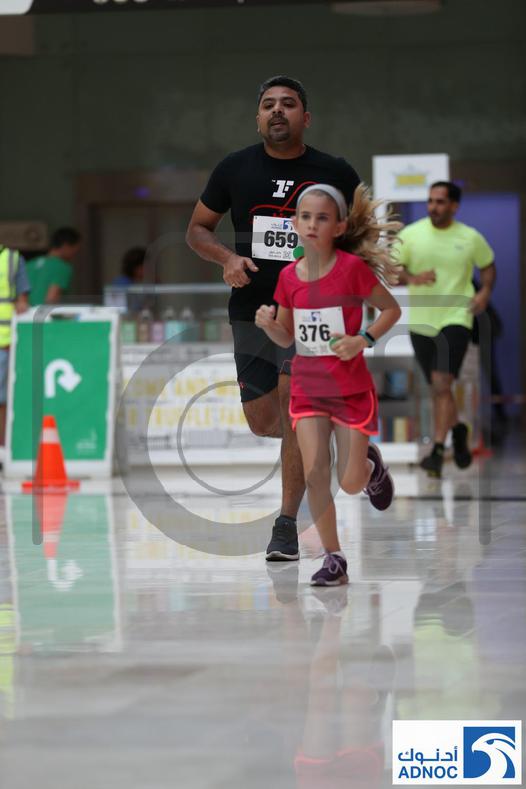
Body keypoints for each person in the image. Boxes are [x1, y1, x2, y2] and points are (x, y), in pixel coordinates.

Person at [186, 75, 362, 561]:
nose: (277, 111)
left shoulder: (334, 172)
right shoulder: (235, 168)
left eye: (288, 104)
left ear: (307, 117)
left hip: (313, 310)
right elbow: (197, 229)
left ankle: (285, 525)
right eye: (268, 105)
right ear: (258, 118)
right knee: (265, 422)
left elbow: (364, 233)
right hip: (253, 310)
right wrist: (227, 258)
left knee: (293, 403)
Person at [255, 183, 401, 586]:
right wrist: (269, 325)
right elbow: (286, 336)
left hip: (350, 389)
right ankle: (334, 558)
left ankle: (370, 467)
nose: (312, 224)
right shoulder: (288, 276)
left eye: (322, 218)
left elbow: (391, 310)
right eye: (305, 217)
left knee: (349, 483)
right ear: (295, 224)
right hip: (307, 388)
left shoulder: (351, 270)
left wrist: (362, 339)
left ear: (339, 227)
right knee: (316, 474)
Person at [396, 182, 496, 478]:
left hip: (457, 318)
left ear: (454, 206)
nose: (433, 207)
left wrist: (484, 293)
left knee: (441, 384)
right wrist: (412, 278)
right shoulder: (411, 234)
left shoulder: (470, 237)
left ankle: (437, 451)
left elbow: (488, 266)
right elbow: (392, 270)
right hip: (421, 322)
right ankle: (458, 430)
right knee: (439, 388)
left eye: (440, 202)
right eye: (430, 201)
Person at [0, 244, 30, 449]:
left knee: (1, 400)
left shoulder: (12, 259)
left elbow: (22, 301)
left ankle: (2, 448)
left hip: (3, 341)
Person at [26, 227, 81, 306]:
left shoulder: (30, 264)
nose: (75, 254)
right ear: (66, 246)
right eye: (75, 249)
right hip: (43, 312)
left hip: (24, 312)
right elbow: (51, 299)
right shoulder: (62, 267)